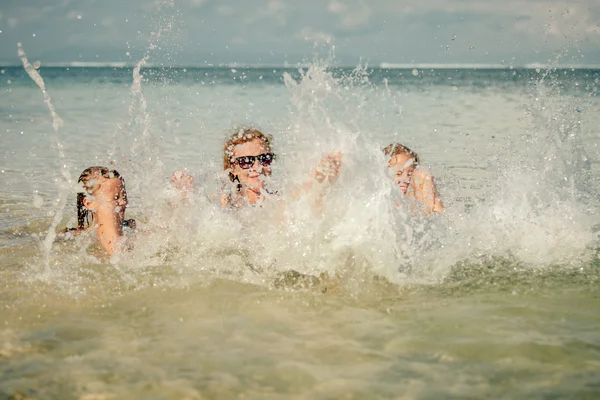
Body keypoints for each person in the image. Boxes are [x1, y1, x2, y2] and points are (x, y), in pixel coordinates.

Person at [171, 127, 342, 210]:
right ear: (232, 169)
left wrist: (320, 180)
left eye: (264, 159)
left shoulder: (281, 199)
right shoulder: (223, 203)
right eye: (246, 161)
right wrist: (184, 194)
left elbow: (306, 198)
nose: (257, 167)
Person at [67, 166, 134, 255]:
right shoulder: (78, 238)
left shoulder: (130, 227)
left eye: (124, 196)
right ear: (89, 203)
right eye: (115, 198)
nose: (123, 202)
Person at [384, 143, 444, 214]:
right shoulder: (381, 202)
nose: (406, 179)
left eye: (410, 174)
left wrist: (428, 180)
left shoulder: (413, 200)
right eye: (399, 173)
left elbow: (440, 214)